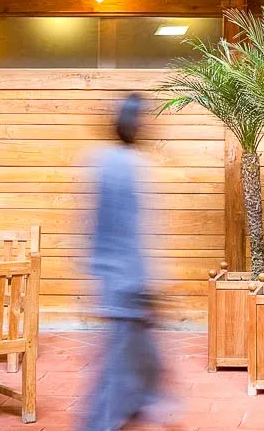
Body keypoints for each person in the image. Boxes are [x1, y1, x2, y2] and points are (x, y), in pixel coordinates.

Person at [79, 93, 176, 431]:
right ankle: (99, 423)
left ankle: (144, 402)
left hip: (116, 278)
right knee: (119, 359)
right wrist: (150, 279)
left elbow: (90, 225)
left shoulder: (101, 160)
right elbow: (134, 228)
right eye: (141, 120)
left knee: (141, 352)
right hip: (129, 280)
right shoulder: (130, 165)